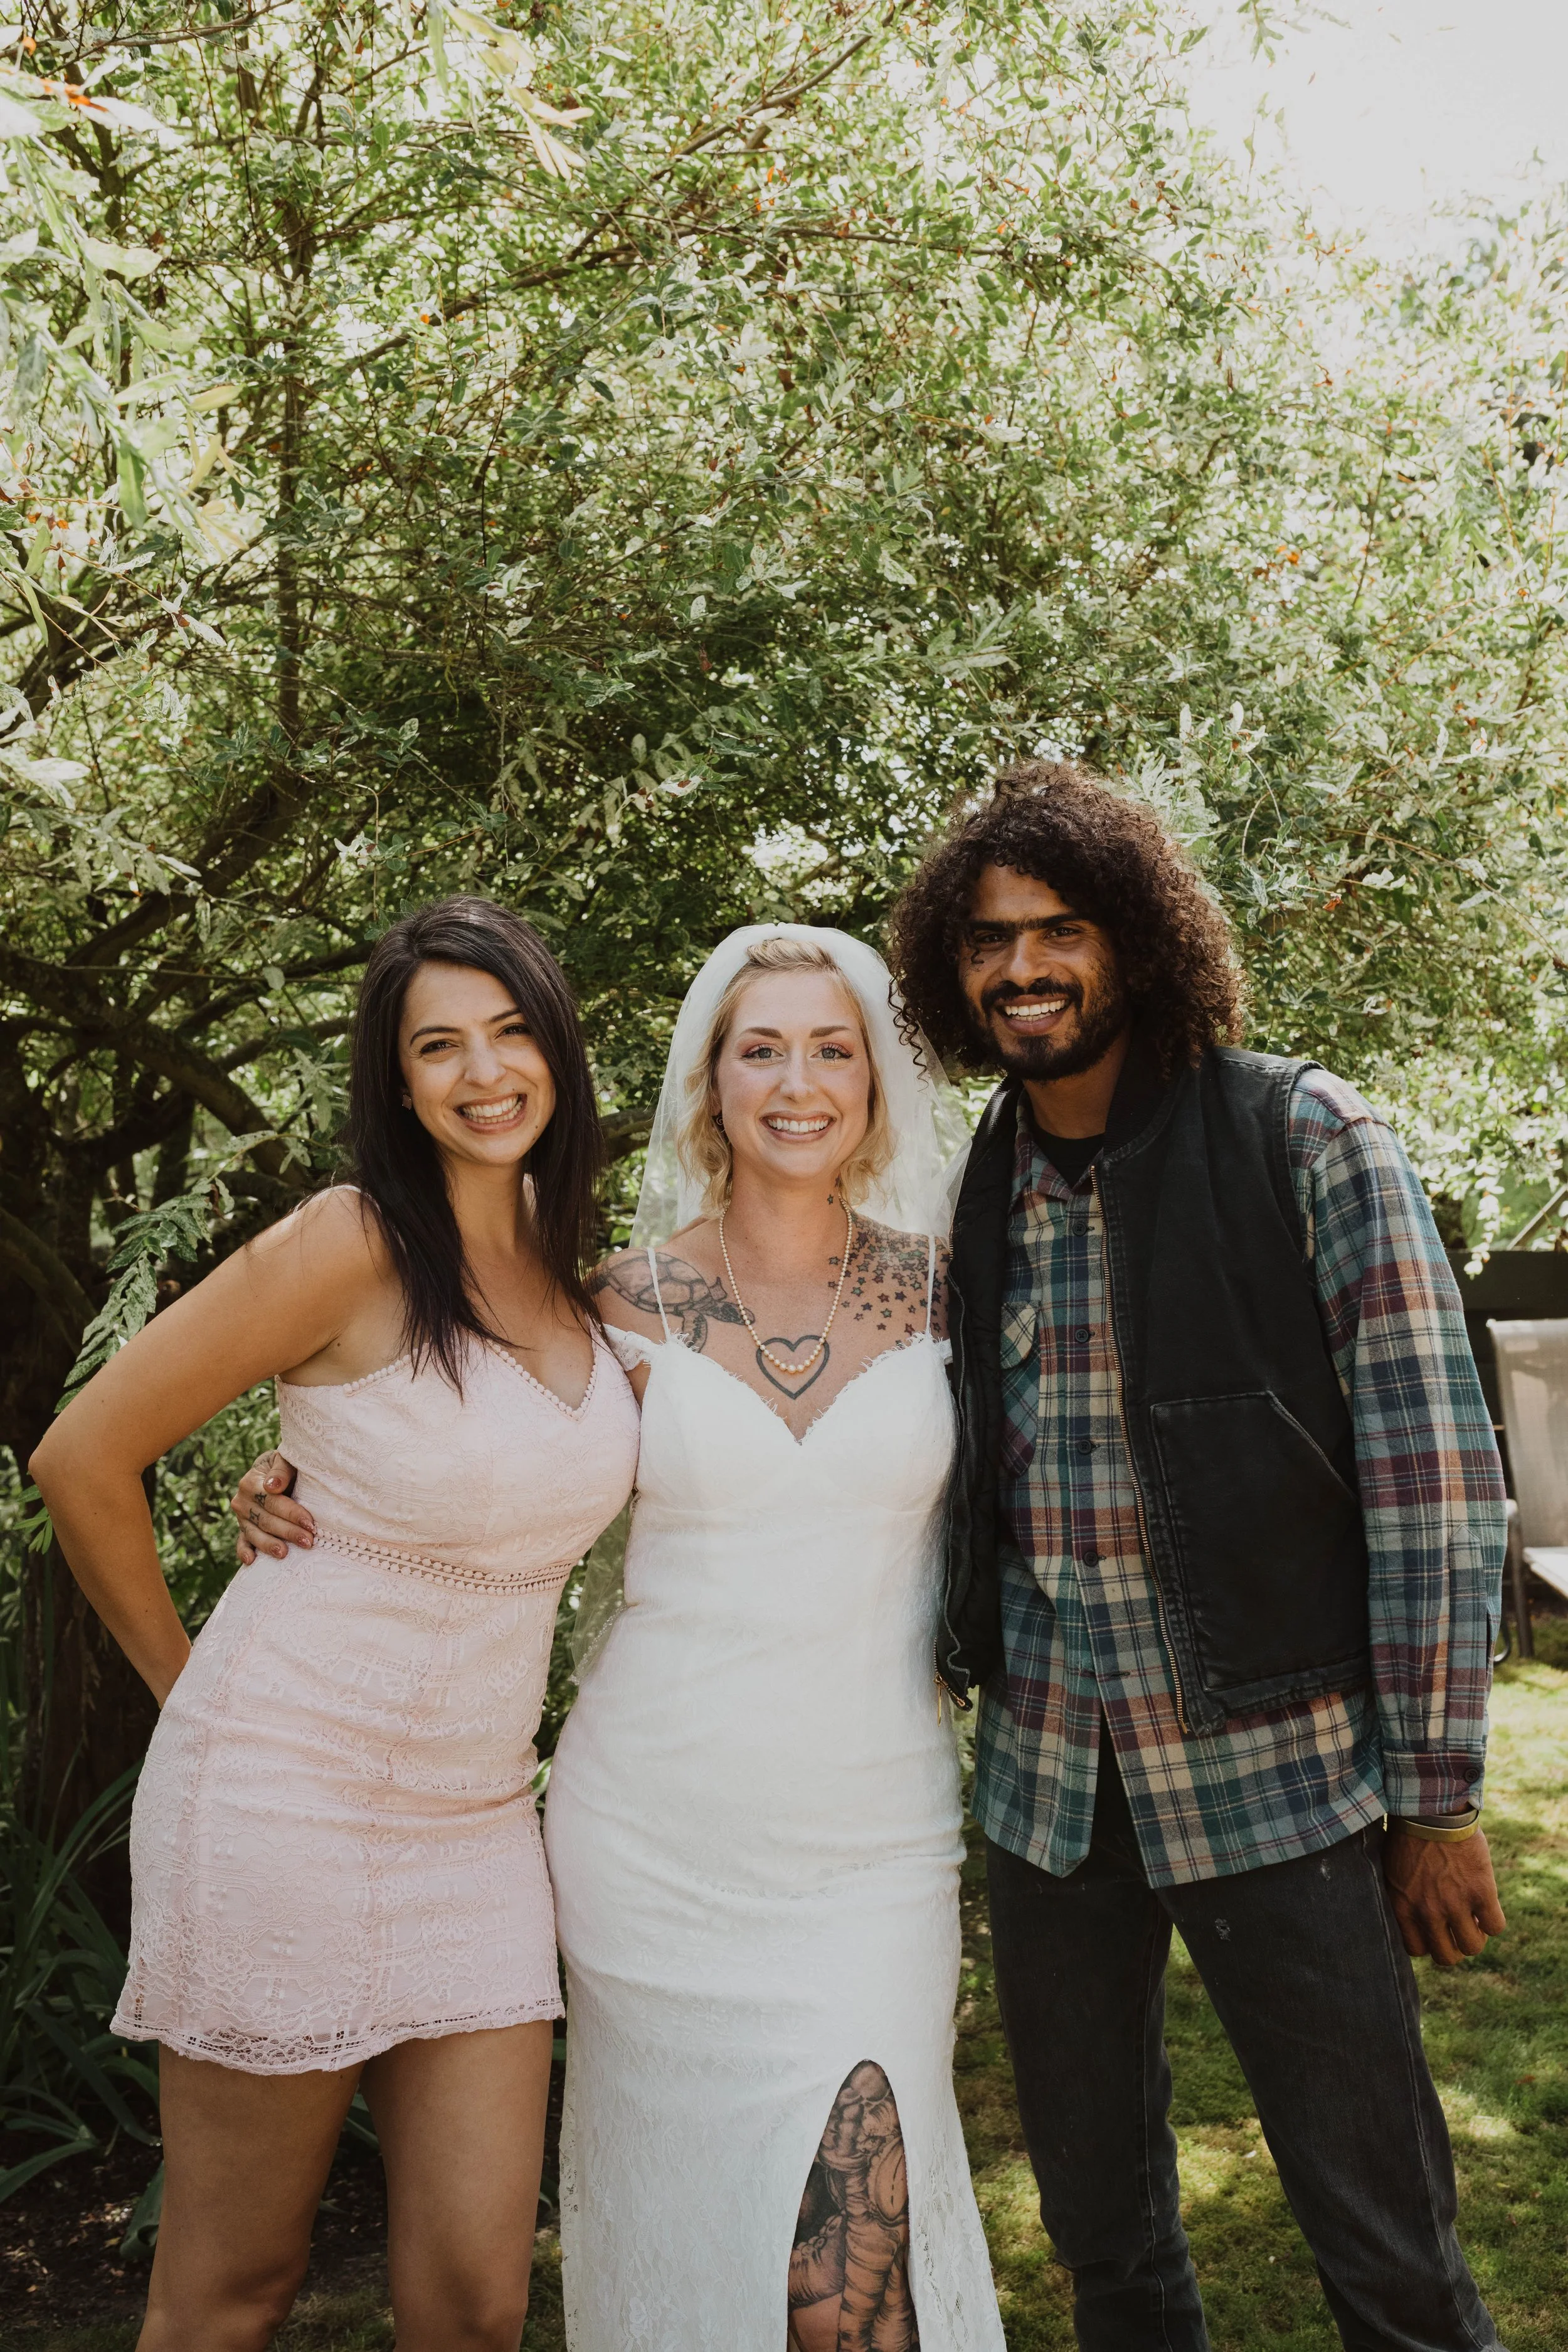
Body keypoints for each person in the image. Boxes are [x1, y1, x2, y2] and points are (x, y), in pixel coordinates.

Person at [885, 761, 1510, 2352]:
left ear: (1140, 941)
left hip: (1277, 1772)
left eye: (1061, 928)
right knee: (1108, 2247)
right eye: (986, 940)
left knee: (1387, 2249)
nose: (1021, 966)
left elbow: (1433, 1483)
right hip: (1047, 1796)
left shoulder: (1301, 1134)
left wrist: (1433, 1800)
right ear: (948, 973)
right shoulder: (982, 1182)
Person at [31, 897, 640, 2352]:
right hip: (282, 1804)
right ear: (398, 1079)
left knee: (474, 2305)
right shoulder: (349, 1241)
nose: (482, 1071)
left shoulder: (586, 1282)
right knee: (231, 2290)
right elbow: (79, 1458)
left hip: (481, 1824)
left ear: (555, 1048)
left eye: (507, 1032)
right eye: (438, 1045)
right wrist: (194, 1697)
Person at [548, 926, 1000, 2352]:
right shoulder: (614, 1303)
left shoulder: (954, 1294)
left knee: (848, 2278)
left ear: (873, 1083)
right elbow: (475, 1478)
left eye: (830, 1047)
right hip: (652, 1841)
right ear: (711, 1081)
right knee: (702, 2252)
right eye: (761, 1048)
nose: (796, 1081)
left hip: (873, 1838)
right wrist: (294, 1484)